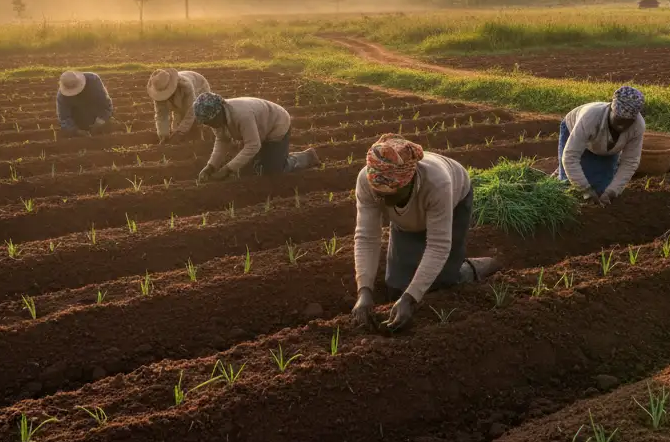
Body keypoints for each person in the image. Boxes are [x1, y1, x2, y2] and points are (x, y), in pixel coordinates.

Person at [351, 134, 500, 331]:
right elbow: (366, 237)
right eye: (379, 194)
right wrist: (364, 291)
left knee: (441, 283)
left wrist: (410, 298)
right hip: (409, 215)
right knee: (396, 287)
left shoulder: (438, 184)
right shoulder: (368, 181)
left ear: (410, 180)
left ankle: (467, 269)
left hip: (453, 200)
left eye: (391, 193)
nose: (385, 201)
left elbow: (438, 245)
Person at [192, 92, 319, 180]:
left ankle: (306, 157)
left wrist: (227, 169)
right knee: (246, 172)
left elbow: (253, 145)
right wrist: (211, 166)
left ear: (219, 111)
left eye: (210, 121)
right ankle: (270, 157)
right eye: (206, 123)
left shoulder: (242, 115)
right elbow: (222, 141)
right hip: (257, 130)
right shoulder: (218, 120)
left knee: (273, 171)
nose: (210, 125)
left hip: (276, 124)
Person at [557, 86, 646, 205]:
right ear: (611, 110)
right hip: (574, 129)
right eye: (618, 120)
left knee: (601, 190)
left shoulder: (637, 126)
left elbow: (630, 161)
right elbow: (570, 157)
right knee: (570, 189)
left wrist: (612, 191)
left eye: (627, 122)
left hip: (608, 148)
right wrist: (585, 189)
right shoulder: (590, 117)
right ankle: (560, 174)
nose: (622, 126)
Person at [147, 67, 210, 144]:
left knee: (196, 118)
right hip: (181, 97)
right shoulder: (158, 91)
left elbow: (192, 110)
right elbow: (161, 115)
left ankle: (199, 139)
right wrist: (164, 135)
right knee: (177, 124)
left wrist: (180, 132)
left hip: (199, 86)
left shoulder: (185, 86)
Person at [56, 71, 114, 137]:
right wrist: (77, 131)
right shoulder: (62, 97)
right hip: (79, 119)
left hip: (96, 111)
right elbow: (64, 118)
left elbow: (105, 102)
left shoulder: (93, 80)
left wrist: (101, 120)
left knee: (106, 125)